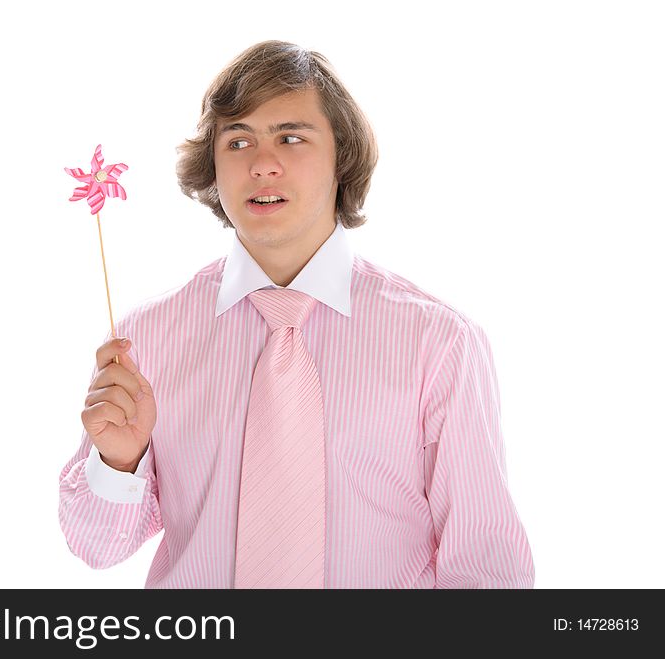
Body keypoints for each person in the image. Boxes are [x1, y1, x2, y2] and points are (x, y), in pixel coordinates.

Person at [58, 40, 535, 588]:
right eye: (237, 141)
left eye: (291, 137)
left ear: (342, 158)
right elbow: (94, 547)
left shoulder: (438, 343)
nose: (262, 164)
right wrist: (120, 461)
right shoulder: (144, 339)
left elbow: (486, 569)